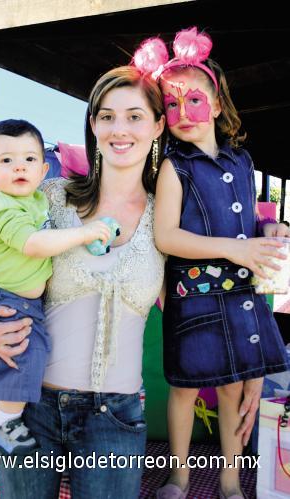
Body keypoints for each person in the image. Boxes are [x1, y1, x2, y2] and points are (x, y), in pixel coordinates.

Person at [0, 66, 166, 498]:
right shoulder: (49, 197)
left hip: (116, 416)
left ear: (158, 125)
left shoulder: (169, 214)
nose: (119, 129)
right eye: (106, 116)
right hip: (28, 407)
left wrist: (273, 234)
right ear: (92, 124)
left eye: (134, 115)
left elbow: (214, 290)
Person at [134, 27, 290, 499]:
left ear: (218, 105)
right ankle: (179, 474)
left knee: (230, 389)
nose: (184, 113)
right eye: (172, 104)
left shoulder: (242, 161)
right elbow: (167, 235)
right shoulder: (172, 167)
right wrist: (234, 249)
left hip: (241, 296)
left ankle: (227, 476)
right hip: (193, 298)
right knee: (183, 390)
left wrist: (267, 232)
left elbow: (247, 221)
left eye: (195, 100)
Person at [0, 119, 111, 455]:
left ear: (44, 169)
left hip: (9, 294)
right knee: (26, 355)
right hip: (5, 296)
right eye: (6, 160)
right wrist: (85, 234)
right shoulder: (2, 208)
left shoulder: (37, 198)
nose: (19, 167)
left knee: (2, 353)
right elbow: (32, 243)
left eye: (29, 159)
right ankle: (3, 425)